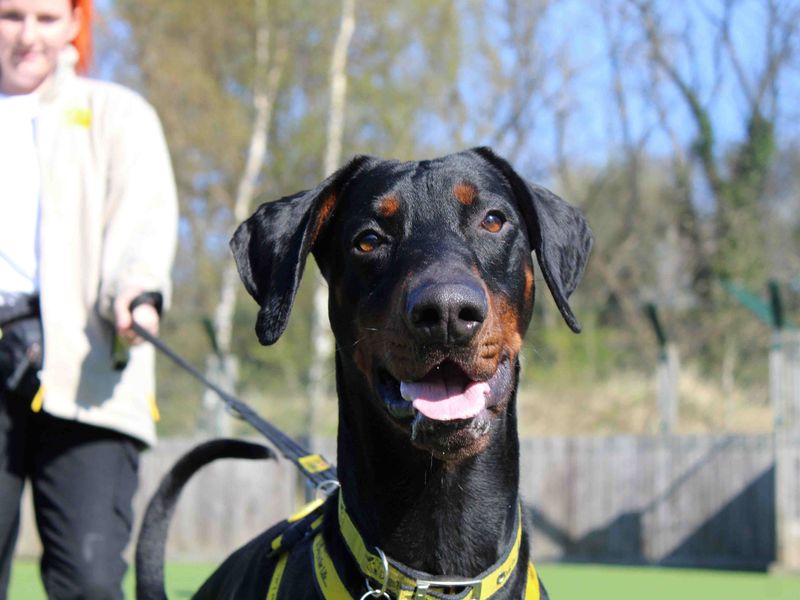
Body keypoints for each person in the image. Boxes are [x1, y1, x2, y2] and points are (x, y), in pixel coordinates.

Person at [0, 0, 178, 597]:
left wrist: (137, 291)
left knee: (90, 579)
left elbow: (144, 226)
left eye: (47, 17)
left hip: (92, 368)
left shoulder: (117, 115)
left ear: (75, 21)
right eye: (10, 14)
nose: (28, 35)